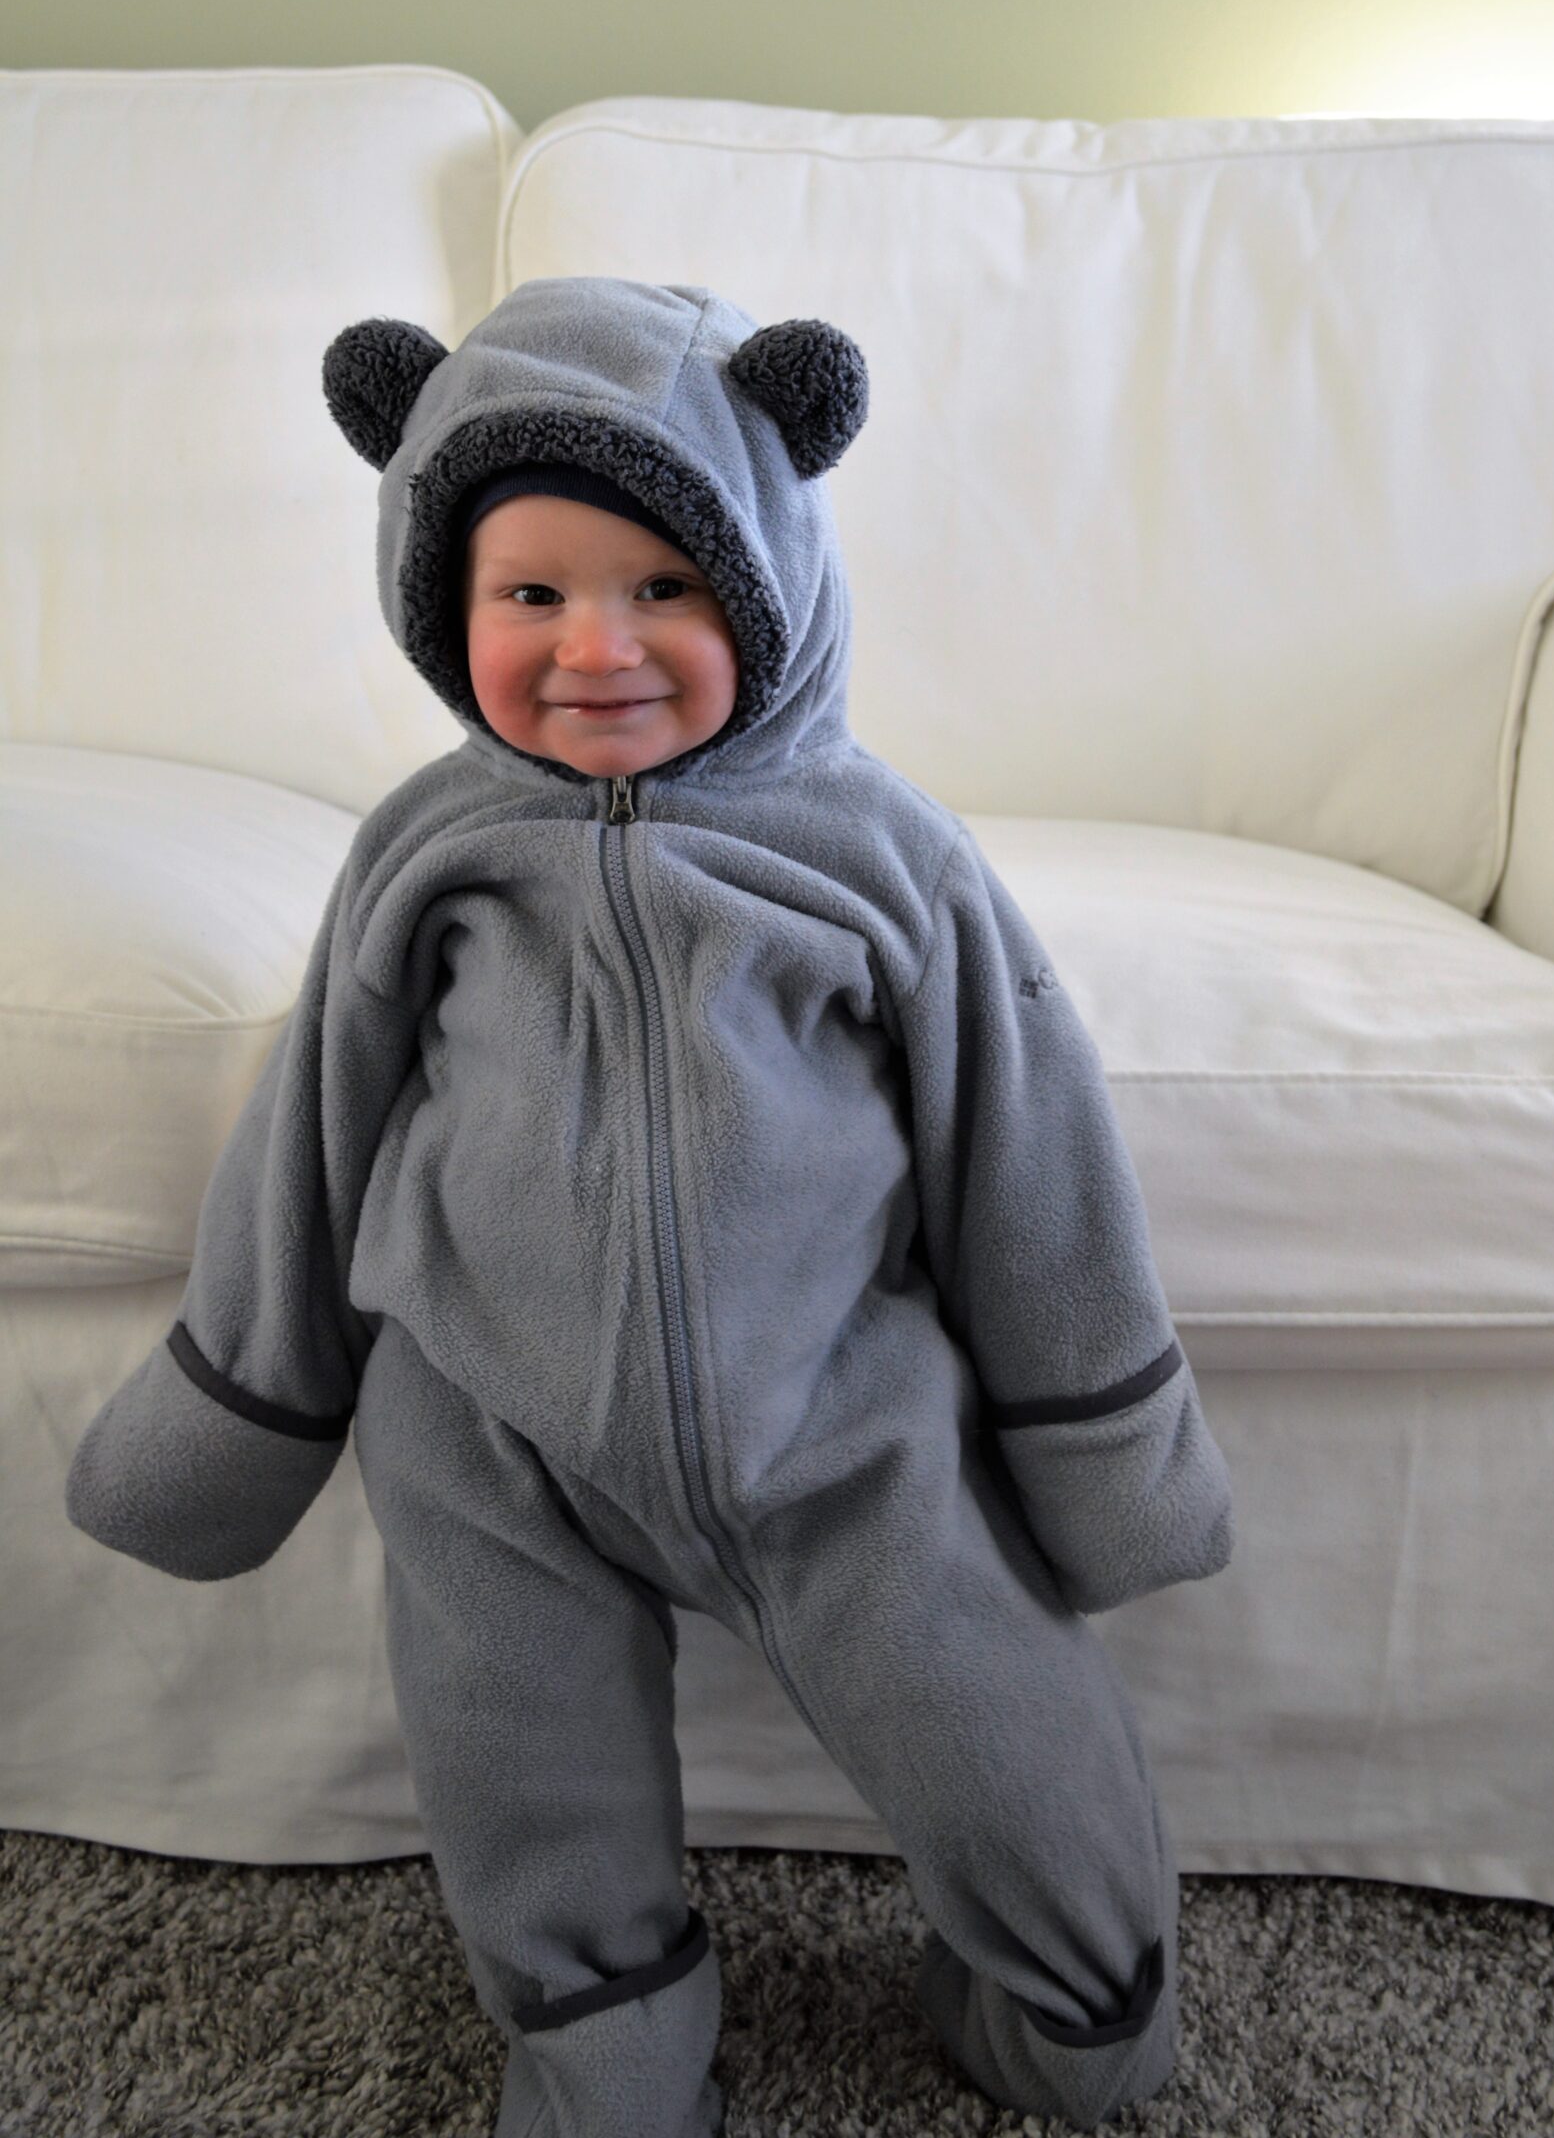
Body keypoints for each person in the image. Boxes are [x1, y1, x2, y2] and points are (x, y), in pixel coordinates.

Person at [65, 275, 1236, 2138]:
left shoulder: (878, 855)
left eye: (665, 586)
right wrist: (237, 1410)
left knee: (1002, 1736)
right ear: (442, 606)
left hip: (832, 1406)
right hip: (483, 1416)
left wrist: (1098, 1441)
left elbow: (1027, 1146)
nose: (594, 647)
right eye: (530, 595)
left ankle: (1076, 2004)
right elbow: (315, 1133)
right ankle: (601, 2052)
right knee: (520, 1775)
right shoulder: (429, 848)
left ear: (765, 581)